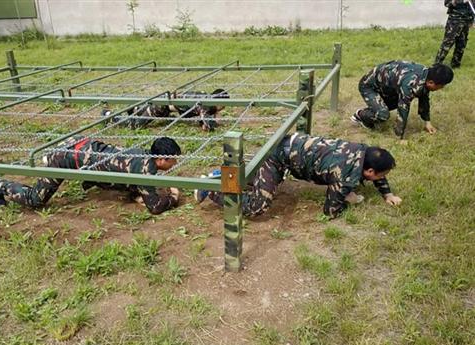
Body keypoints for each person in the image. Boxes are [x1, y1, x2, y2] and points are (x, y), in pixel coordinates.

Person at [194, 133, 402, 219]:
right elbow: (330, 211)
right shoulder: (346, 174)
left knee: (251, 178)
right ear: (369, 172)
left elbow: (377, 171)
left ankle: (218, 176)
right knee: (258, 206)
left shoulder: (363, 151)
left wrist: (387, 194)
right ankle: (210, 188)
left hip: (287, 144)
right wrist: (349, 200)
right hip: (278, 158)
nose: (382, 178)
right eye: (381, 175)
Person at [0, 136, 181, 215]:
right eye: (173, 160)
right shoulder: (145, 169)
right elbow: (155, 207)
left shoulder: (141, 155)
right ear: (161, 159)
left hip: (81, 147)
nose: (175, 163)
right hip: (65, 158)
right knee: (35, 199)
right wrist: (173, 196)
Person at [351, 61, 454, 139]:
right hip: (369, 87)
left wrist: (427, 122)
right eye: (441, 86)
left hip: (387, 88)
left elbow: (424, 97)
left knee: (390, 105)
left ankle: (375, 109)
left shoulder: (425, 75)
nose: (442, 88)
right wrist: (399, 137)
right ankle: (360, 115)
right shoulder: (410, 83)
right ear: (430, 82)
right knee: (383, 114)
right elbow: (403, 109)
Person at [101, 88, 229, 131]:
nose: (224, 107)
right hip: (162, 106)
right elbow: (207, 124)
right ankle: (108, 116)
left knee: (142, 112)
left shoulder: (205, 99)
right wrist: (211, 124)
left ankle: (135, 109)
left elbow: (202, 117)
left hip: (167, 106)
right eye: (224, 104)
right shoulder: (206, 104)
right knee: (136, 125)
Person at [435, 0, 474, 69]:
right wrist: (462, 1)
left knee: (461, 44)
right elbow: (447, 3)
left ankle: (455, 64)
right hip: (455, 20)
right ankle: (437, 65)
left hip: (466, 20)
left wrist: (472, 20)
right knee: (448, 43)